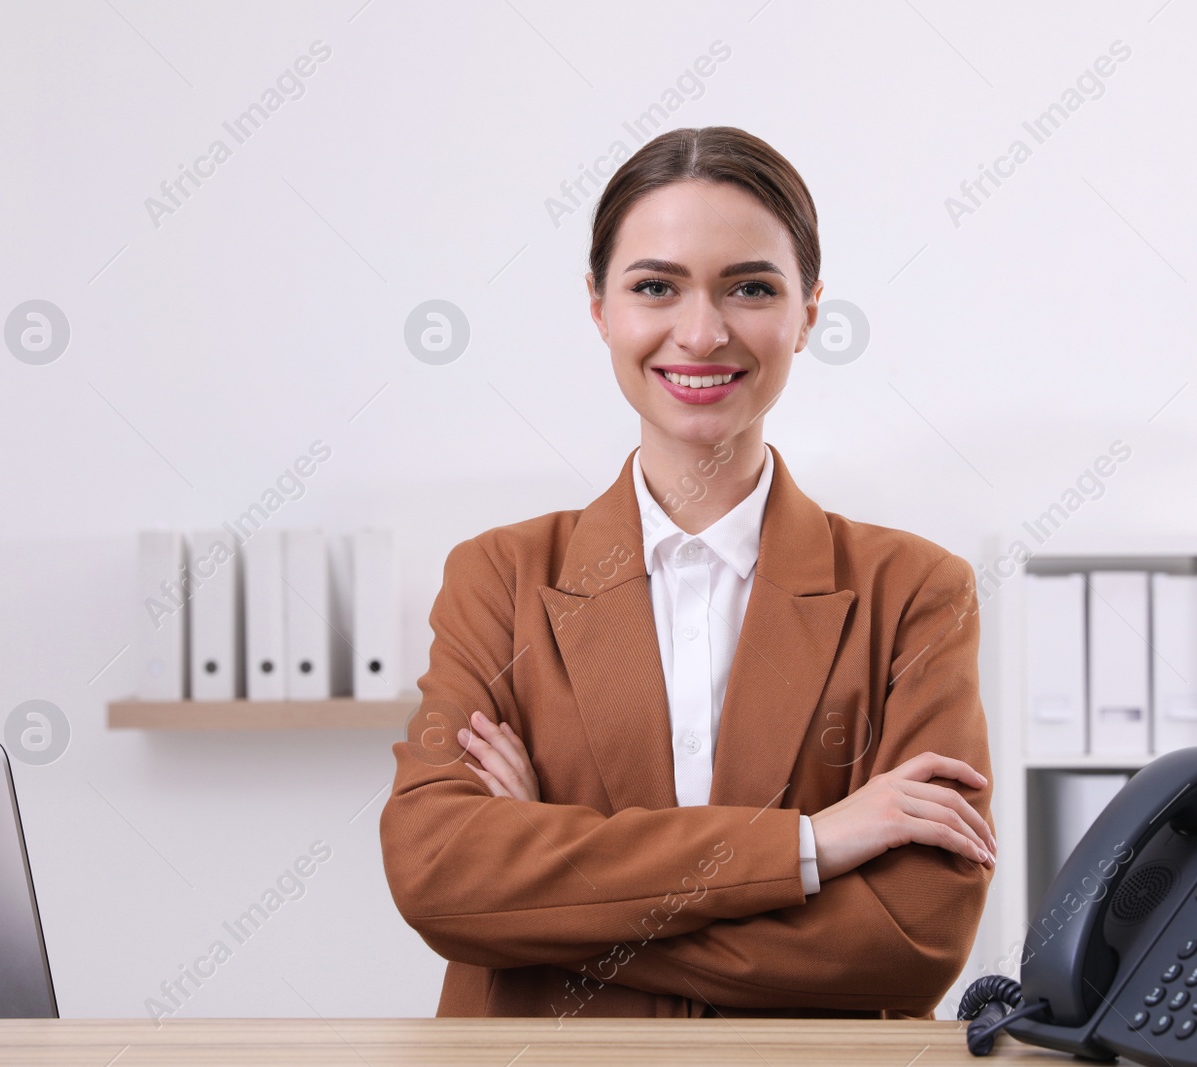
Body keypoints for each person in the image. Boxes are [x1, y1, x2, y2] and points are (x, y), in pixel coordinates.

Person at [380, 126, 996, 1020]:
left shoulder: (917, 592)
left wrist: (546, 904)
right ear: (599, 308)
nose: (702, 333)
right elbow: (439, 875)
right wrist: (813, 846)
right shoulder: (497, 579)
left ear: (809, 312)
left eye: (750, 287)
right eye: (655, 287)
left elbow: (910, 940)